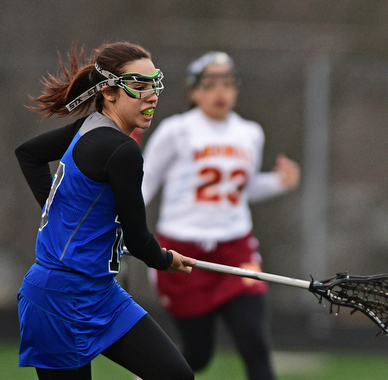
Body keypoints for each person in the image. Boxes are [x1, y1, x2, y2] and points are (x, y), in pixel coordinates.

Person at [15, 41, 197, 380]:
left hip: (101, 294)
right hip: (57, 299)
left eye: (155, 83)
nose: (152, 95)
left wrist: (61, 214)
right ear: (109, 92)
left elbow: (29, 154)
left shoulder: (91, 126)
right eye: (139, 86)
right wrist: (165, 260)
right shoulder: (121, 151)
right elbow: (139, 240)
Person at [141, 51, 300, 380]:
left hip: (235, 250)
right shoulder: (176, 130)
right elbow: (143, 181)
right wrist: (118, 222)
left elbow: (243, 187)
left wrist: (279, 183)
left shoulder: (250, 133)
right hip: (182, 254)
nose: (220, 92)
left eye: (228, 83)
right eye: (210, 84)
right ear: (193, 91)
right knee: (197, 356)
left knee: (255, 345)